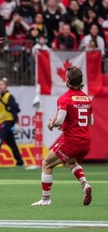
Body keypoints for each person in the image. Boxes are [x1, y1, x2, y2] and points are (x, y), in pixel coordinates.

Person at [32, 66, 93, 206]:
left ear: (67, 81)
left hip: (72, 142)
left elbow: (59, 120)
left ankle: (46, 200)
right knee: (71, 162)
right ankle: (85, 185)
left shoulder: (65, 98)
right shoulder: (86, 98)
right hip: (86, 142)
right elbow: (91, 121)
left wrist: (51, 124)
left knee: (46, 164)